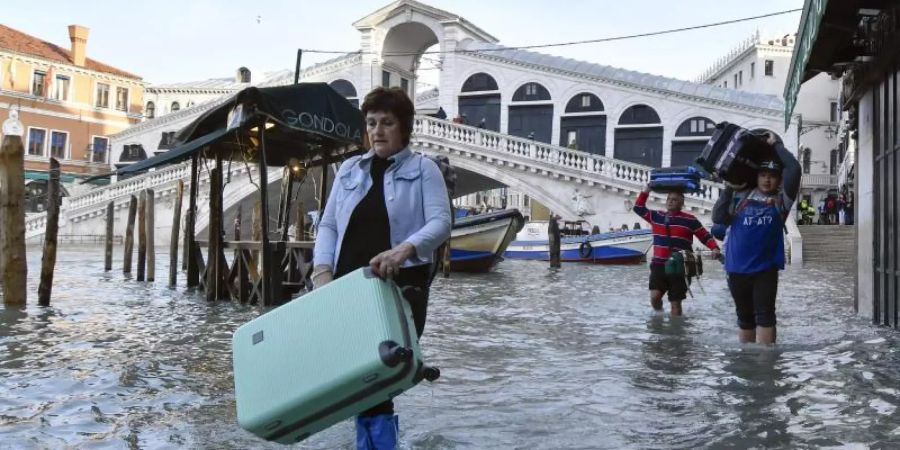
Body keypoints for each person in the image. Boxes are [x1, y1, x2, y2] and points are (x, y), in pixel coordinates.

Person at [312, 86, 452, 449]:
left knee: (379, 377)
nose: (377, 130)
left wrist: (402, 251)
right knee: (361, 378)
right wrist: (321, 272)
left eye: (387, 123)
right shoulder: (348, 170)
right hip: (348, 288)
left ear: (404, 128)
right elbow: (327, 226)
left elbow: (440, 223)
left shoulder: (425, 170)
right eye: (371, 123)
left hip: (401, 285)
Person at [712, 134, 801, 345]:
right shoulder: (739, 196)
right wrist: (729, 187)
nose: (767, 179)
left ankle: (766, 366)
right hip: (736, 270)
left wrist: (776, 144)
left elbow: (794, 169)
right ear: (756, 176)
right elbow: (718, 217)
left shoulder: (782, 201)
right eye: (762, 174)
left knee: (765, 316)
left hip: (765, 270)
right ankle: (747, 363)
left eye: (772, 175)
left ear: (779, 179)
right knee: (744, 319)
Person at [633, 188, 721, 316]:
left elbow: (704, 236)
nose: (670, 202)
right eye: (669, 199)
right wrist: (647, 190)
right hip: (658, 265)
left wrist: (714, 247)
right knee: (655, 297)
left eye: (674, 200)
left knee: (676, 303)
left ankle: (675, 334)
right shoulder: (656, 216)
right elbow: (638, 207)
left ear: (682, 204)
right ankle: (659, 316)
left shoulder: (690, 220)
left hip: (680, 267)